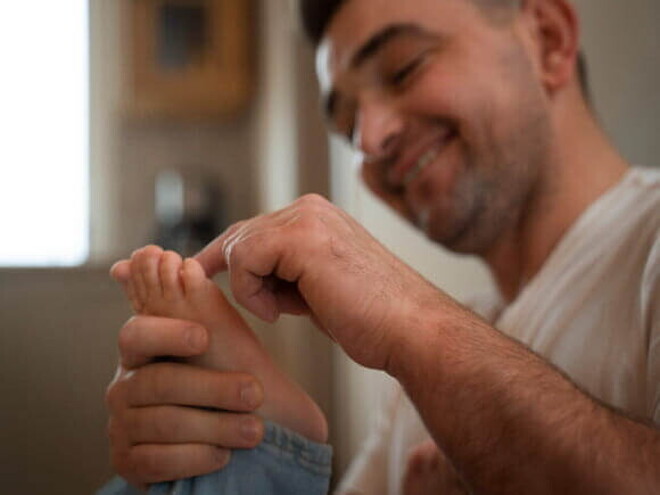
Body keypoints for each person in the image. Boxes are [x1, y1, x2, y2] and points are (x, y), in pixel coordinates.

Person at [102, 0, 660, 493]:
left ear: (547, 37)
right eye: (346, 126)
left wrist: (414, 320)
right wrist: (239, 450)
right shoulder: (413, 394)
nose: (368, 141)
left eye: (404, 67)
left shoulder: (647, 245)